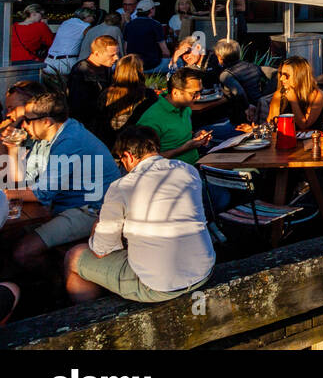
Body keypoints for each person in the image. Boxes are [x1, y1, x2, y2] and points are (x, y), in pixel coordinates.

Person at [64, 125, 215, 304]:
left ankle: (88, 318)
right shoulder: (188, 170)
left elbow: (101, 250)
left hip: (158, 286)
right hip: (203, 269)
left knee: (74, 256)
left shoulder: (122, 186)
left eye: (121, 161)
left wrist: (97, 226)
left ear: (128, 156)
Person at [5, 91, 121, 275]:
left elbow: (41, 193)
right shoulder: (53, 135)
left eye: (27, 119)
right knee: (11, 236)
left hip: (93, 210)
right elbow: (23, 182)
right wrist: (14, 149)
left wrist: (5, 194)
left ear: (47, 121)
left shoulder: (68, 142)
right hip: (72, 206)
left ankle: (56, 285)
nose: (23, 124)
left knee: (23, 252)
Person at [137, 68, 213, 165]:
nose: (199, 97)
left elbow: (179, 138)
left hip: (195, 165)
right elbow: (145, 161)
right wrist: (184, 148)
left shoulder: (185, 108)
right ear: (175, 93)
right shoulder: (152, 119)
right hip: (173, 174)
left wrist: (196, 136)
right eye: (194, 93)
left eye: (200, 92)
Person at [96, 54, 158, 136]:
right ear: (139, 72)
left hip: (108, 139)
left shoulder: (106, 94)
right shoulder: (146, 95)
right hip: (136, 139)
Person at [67, 35, 119, 130]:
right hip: (86, 125)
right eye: (111, 55)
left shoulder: (106, 68)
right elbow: (77, 105)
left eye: (116, 54)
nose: (116, 58)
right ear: (97, 53)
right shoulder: (81, 71)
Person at [261, 55, 323, 132]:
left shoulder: (317, 94)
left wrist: (293, 101)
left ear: (299, 76)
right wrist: (257, 128)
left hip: (311, 140)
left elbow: (304, 125)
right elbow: (271, 123)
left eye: (286, 75)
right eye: (281, 74)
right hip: (287, 139)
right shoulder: (279, 95)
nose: (281, 78)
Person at [212, 38, 264, 111]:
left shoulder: (226, 75)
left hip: (245, 112)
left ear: (220, 57)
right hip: (260, 105)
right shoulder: (252, 66)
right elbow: (274, 72)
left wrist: (247, 107)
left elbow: (239, 93)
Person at [44, 8, 94, 76]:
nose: (93, 20)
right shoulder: (85, 26)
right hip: (66, 62)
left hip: (48, 62)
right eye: (93, 17)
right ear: (87, 16)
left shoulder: (65, 22)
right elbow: (92, 42)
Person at [122, 0, 169, 70]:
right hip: (151, 65)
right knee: (179, 62)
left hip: (133, 64)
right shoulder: (156, 24)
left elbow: (126, 49)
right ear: (151, 10)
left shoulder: (129, 25)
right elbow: (165, 52)